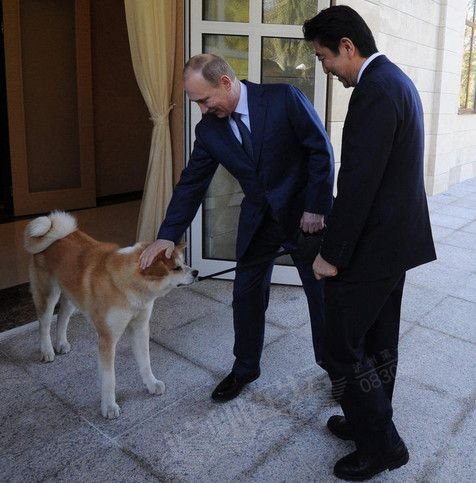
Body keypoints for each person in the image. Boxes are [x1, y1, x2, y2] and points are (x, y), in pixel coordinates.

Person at [140, 54, 334, 402]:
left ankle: (336, 367)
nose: (201, 109)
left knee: (322, 297)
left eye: (204, 99)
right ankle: (245, 368)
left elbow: (320, 150)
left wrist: (316, 208)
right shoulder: (209, 130)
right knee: (244, 294)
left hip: (304, 217)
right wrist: (168, 234)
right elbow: (192, 183)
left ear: (226, 83)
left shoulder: (283, 99)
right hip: (259, 221)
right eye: (196, 102)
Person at [303, 5, 437, 481]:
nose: (325, 69)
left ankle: (382, 446)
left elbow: (359, 184)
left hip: (373, 246)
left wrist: (330, 256)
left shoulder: (375, 91)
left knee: (342, 346)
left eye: (324, 58)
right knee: (378, 341)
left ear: (347, 46)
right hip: (393, 242)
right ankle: (368, 420)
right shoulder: (394, 79)